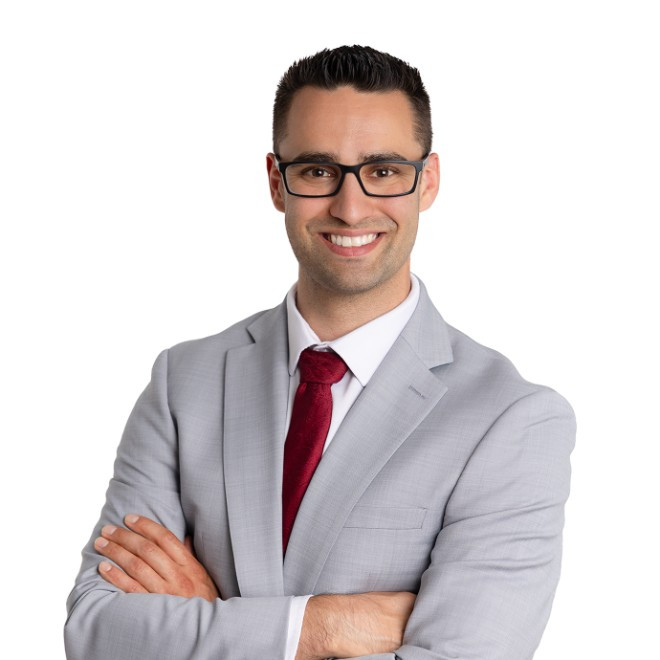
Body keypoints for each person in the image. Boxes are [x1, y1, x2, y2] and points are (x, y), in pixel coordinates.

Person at [64, 45, 577, 659]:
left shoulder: (512, 419)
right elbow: (97, 633)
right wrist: (326, 627)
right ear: (276, 182)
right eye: (317, 171)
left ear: (428, 180)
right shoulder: (184, 384)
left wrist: (208, 622)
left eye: (383, 171)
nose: (350, 208)